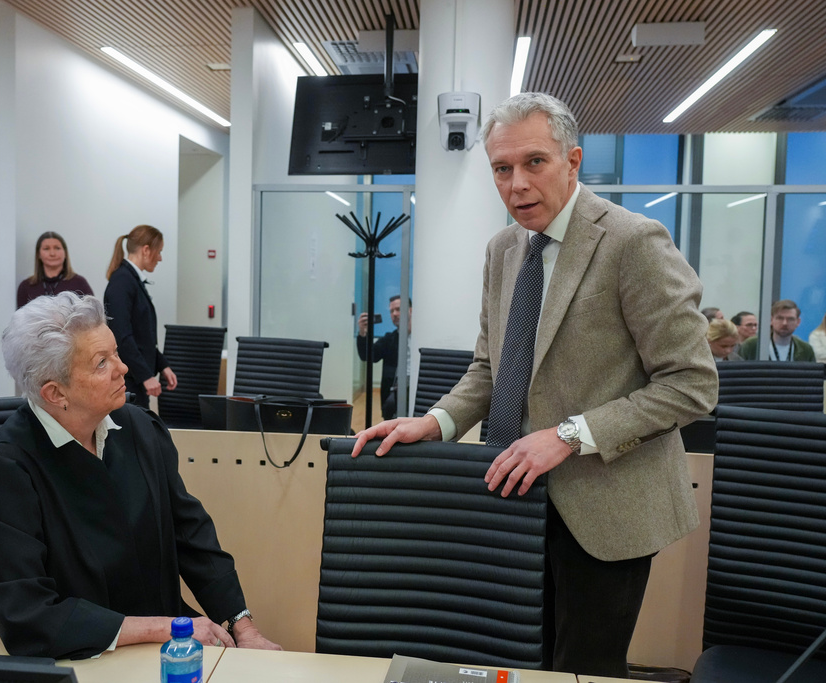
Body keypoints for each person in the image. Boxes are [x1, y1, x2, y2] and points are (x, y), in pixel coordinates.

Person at [350, 93, 717, 677]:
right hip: (514, 497)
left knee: (581, 668)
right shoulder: (503, 249)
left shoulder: (632, 242)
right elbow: (489, 369)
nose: (516, 183)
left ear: (572, 161)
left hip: (606, 507)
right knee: (521, 662)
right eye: (502, 168)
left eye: (534, 163)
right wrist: (436, 421)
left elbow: (691, 384)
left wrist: (570, 435)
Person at [0, 292, 280, 659]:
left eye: (115, 352)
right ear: (55, 393)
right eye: (102, 363)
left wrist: (243, 626)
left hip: (165, 642)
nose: (123, 368)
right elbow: (27, 613)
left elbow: (190, 535)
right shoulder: (3, 469)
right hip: (75, 654)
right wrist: (165, 627)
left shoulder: (139, 429)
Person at [103, 225, 177, 408]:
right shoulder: (122, 281)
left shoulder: (131, 281)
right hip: (127, 381)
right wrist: (145, 375)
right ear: (146, 250)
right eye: (159, 252)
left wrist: (162, 365)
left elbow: (142, 336)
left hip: (135, 378)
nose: (160, 258)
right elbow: (122, 336)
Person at [356, 295, 412, 420]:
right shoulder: (390, 339)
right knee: (390, 408)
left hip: (416, 386)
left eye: (398, 309)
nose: (395, 314)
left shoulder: (421, 337)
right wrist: (362, 333)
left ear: (411, 310)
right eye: (392, 311)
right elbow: (367, 356)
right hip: (395, 391)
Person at [17, 231, 93, 308]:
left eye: (57, 248)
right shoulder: (26, 286)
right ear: (38, 254)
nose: (52, 253)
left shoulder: (79, 283)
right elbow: (20, 318)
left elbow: (93, 315)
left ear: (65, 253)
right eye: (46, 249)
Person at [738, 299, 816, 361]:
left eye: (790, 319)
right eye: (780, 318)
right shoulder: (751, 345)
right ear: (771, 320)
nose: (785, 323)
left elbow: (811, 378)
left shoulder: (806, 349)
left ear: (798, 322)